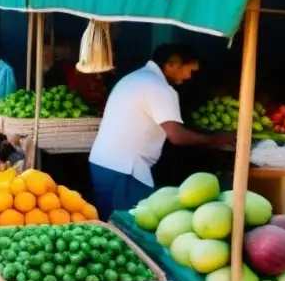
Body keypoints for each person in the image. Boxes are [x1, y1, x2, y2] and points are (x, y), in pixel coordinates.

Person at [89, 44, 232, 220]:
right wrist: (213, 140)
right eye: (189, 71)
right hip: (125, 168)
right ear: (173, 63)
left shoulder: (134, 78)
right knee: (131, 227)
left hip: (103, 163)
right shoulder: (158, 87)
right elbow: (176, 135)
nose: (188, 77)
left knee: (110, 224)